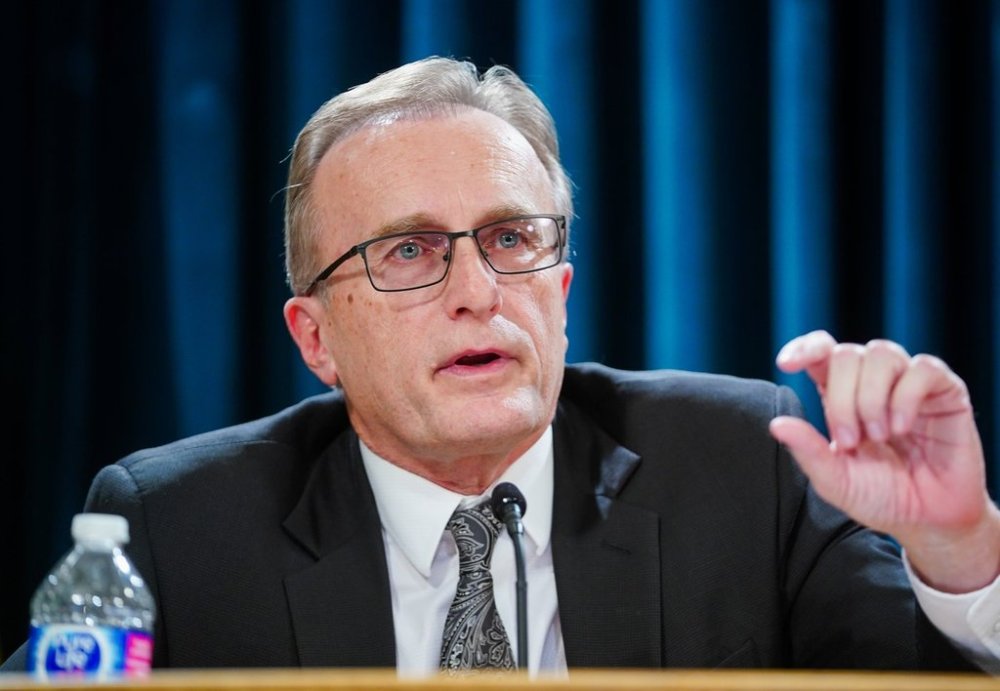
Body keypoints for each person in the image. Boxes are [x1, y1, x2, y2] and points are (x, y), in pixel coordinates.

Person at [4, 55, 1000, 676]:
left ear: (560, 294)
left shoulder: (745, 463)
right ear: (315, 341)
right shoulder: (178, 528)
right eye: (408, 252)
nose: (478, 290)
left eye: (513, 239)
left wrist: (960, 548)